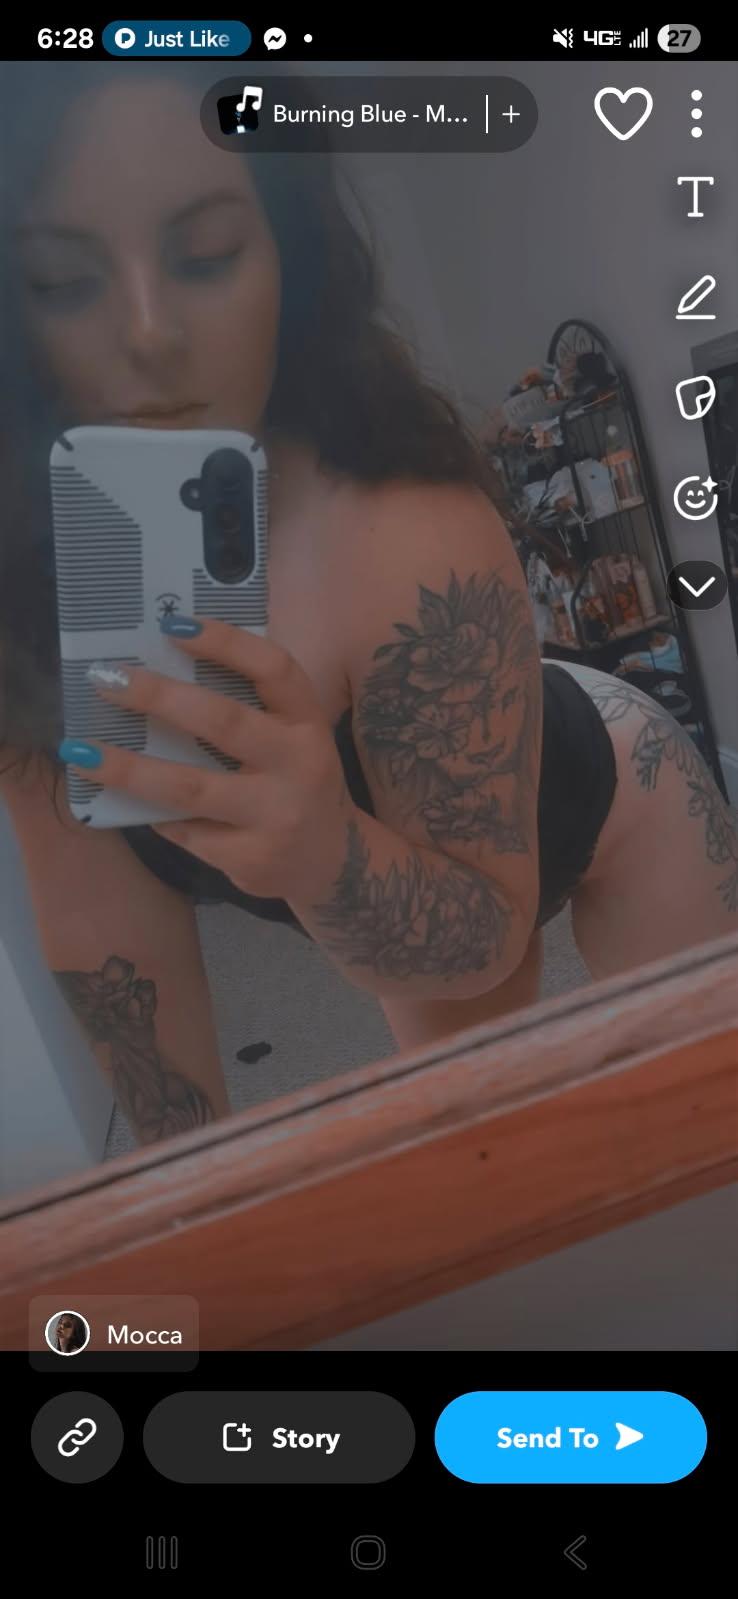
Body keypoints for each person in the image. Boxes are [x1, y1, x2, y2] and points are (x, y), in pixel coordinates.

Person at [1, 62, 737, 1147]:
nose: (148, 333)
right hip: (412, 868)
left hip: (605, 795)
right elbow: (114, 951)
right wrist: (186, 1219)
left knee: (699, 1130)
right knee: (478, 1155)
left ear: (289, 265)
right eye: (63, 280)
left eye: (206, 256)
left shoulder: (401, 529)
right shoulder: (27, 591)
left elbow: (484, 933)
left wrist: (322, 852)